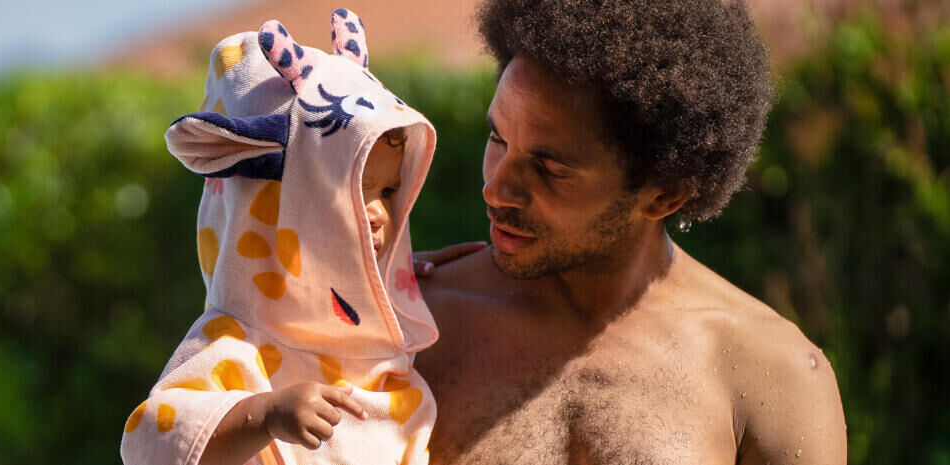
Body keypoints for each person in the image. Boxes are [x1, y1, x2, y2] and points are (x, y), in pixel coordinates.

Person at [410, 0, 847, 463]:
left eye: (550, 168)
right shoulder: (413, 324)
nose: (496, 189)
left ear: (664, 196)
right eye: (498, 139)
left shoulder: (773, 376)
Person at [121, 9, 440, 465]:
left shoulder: (385, 349)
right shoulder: (235, 343)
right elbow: (151, 442)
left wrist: (396, 280)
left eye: (389, 191)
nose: (376, 213)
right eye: (347, 189)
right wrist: (263, 413)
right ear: (269, 210)